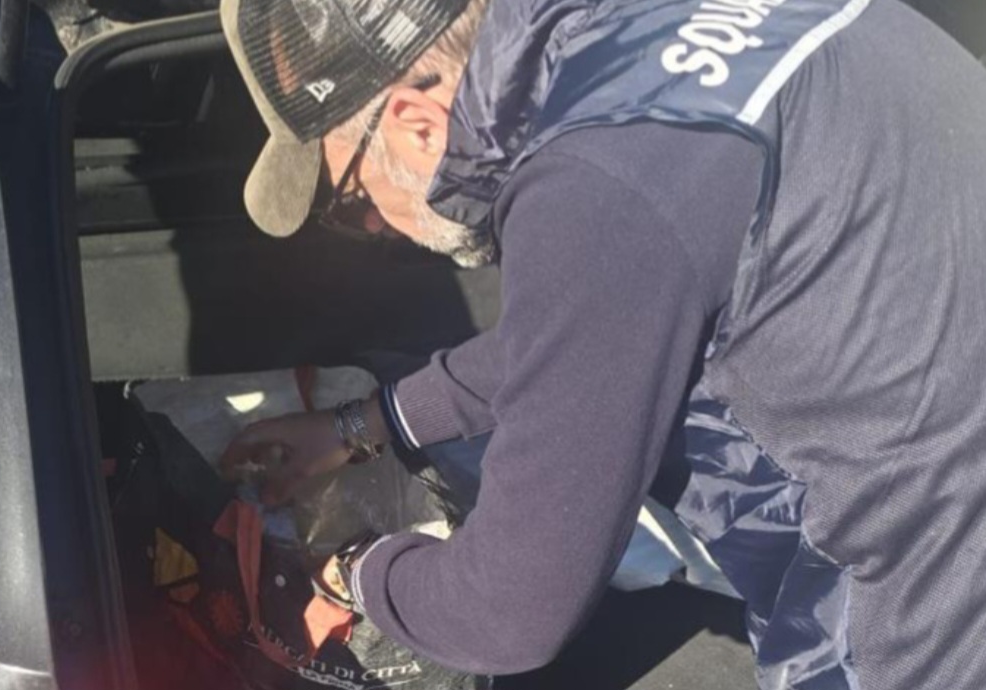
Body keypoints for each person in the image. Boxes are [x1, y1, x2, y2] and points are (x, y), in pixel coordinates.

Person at [216, 0, 986, 687]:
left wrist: (353, 569)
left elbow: (505, 614)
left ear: (417, 125)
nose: (374, 226)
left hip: (924, 613)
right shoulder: (642, 46)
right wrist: (364, 425)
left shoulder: (599, 185)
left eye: (350, 202)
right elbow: (583, 337)